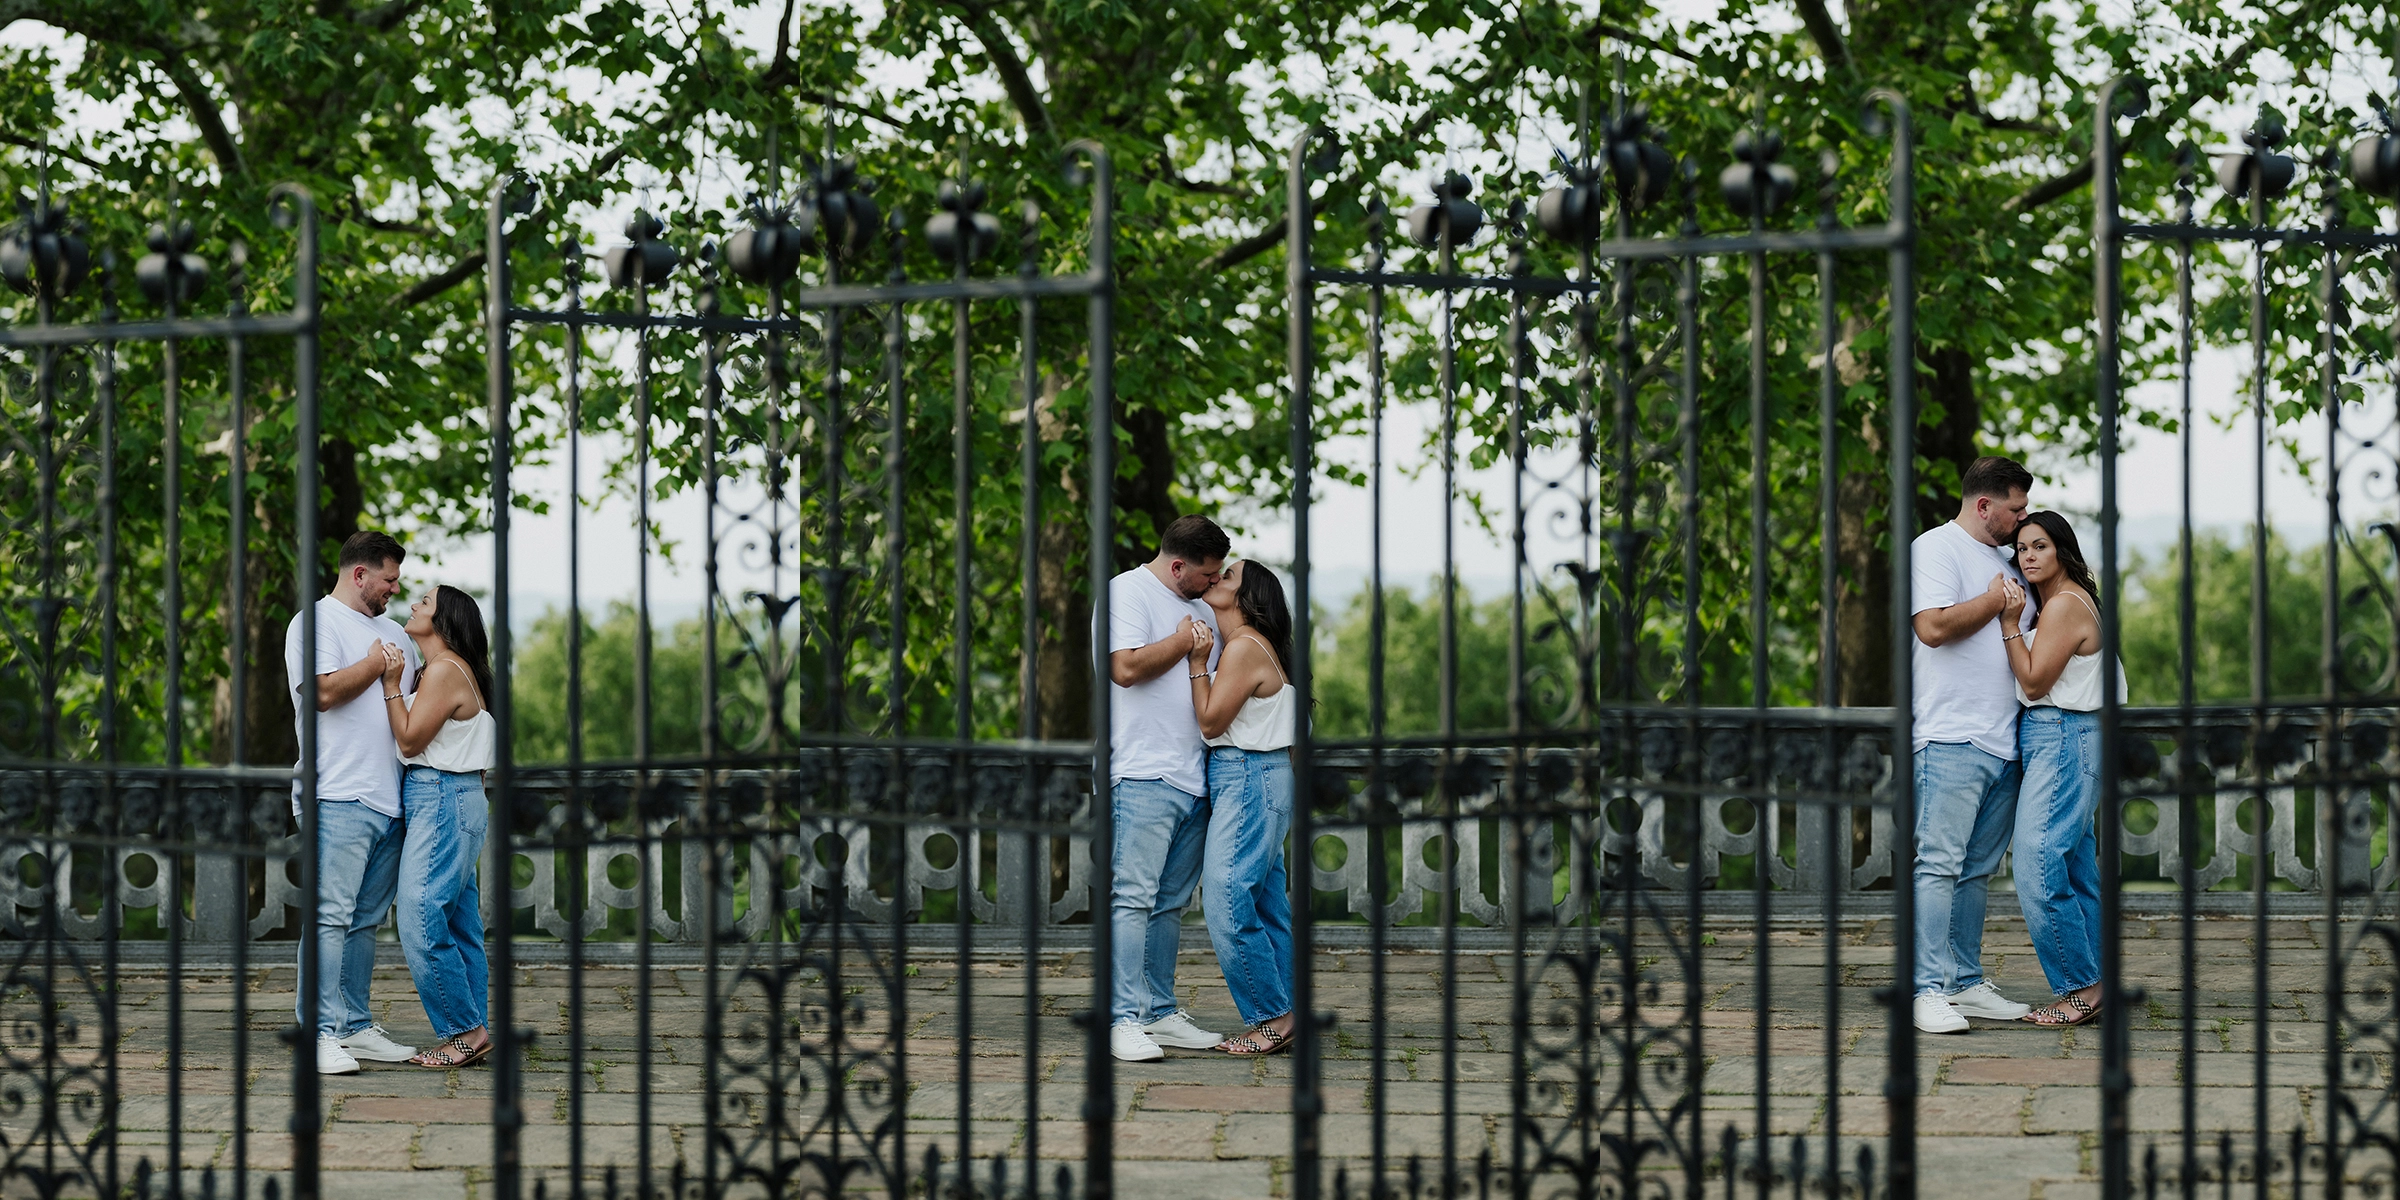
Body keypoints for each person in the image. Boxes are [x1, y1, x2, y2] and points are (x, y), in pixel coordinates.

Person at [1907, 456, 2039, 1034]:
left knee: (1976, 871)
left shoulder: (2009, 562)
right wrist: (1994, 602)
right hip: (1950, 736)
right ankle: (1926, 990)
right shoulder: (1936, 548)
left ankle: (1964, 983)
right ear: (1984, 505)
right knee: (1938, 865)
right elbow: (1932, 628)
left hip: (2006, 740)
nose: (2023, 518)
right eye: (2016, 508)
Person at [285, 530, 422, 1075]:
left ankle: (354, 1027)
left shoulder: (395, 632)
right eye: (389, 579)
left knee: (365, 921)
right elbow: (320, 693)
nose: (395, 589)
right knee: (329, 918)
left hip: (393, 797)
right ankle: (317, 1032)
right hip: (336, 794)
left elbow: (411, 702)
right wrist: (375, 665)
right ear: (359, 574)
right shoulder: (314, 622)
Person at [1106, 515, 1231, 1063]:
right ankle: (1121, 1019)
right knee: (1132, 898)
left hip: (1197, 775)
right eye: (1207, 574)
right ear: (1178, 565)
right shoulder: (1127, 591)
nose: (1215, 582)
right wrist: (1183, 641)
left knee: (1169, 904)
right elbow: (1125, 668)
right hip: (1142, 772)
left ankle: (1158, 1012)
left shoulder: (1204, 606)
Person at [1999, 513, 2121, 1027]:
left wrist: (2010, 624)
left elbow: (2033, 682)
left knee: (2037, 860)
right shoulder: (2064, 602)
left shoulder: (2065, 605)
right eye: (2021, 548)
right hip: (2068, 735)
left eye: (2040, 546)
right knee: (2074, 867)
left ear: (2062, 550)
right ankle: (2100, 982)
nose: (2027, 556)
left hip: (2065, 734)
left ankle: (2080, 987)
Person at [378, 585, 498, 1066]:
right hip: (457, 797)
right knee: (460, 923)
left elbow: (409, 741)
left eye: (424, 602)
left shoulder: (446, 668)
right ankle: (476, 1029)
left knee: (419, 915)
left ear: (445, 620)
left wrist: (391, 684)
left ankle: (463, 1031)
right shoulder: (447, 669)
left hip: (442, 795)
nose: (413, 604)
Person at [1186, 560, 1297, 1055]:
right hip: (1262, 775)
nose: (1215, 578)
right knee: (1268, 905)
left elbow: (1211, 722)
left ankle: (1273, 1017)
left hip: (1248, 774)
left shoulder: (1244, 646)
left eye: (1227, 576)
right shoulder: (1254, 645)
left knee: (1226, 900)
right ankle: (1290, 1009)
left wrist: (1197, 664)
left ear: (1248, 598)